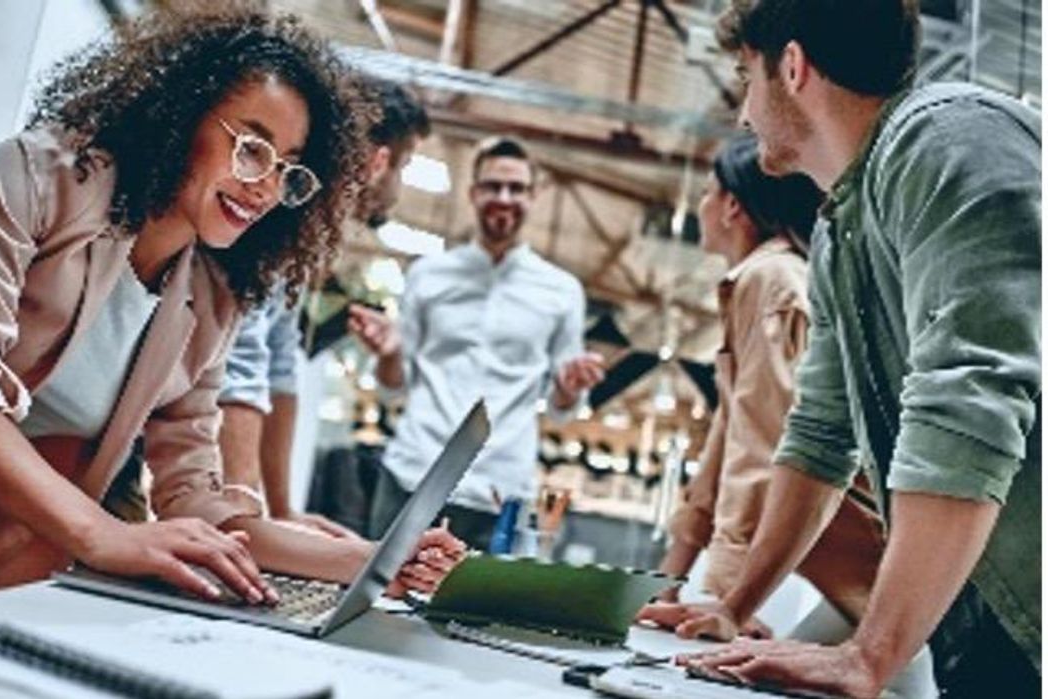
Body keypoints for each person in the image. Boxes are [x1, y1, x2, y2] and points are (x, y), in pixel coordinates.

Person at [0, 7, 461, 627]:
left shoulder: (211, 298)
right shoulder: (40, 176)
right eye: (252, 148)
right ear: (183, 114)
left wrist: (373, 559)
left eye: (289, 170)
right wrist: (103, 534)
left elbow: (196, 496)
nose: (265, 186)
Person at [643, 2, 1041, 697]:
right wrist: (733, 606)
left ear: (792, 67)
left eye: (747, 78)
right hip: (981, 610)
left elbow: (968, 399)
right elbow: (820, 434)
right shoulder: (838, 230)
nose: (744, 114)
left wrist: (868, 654)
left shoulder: (953, 140)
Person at [640, 133, 889, 638]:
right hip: (839, 566)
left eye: (707, 193)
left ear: (732, 206)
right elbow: (723, 448)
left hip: (858, 564)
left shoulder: (770, 279)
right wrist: (665, 583)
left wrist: (728, 599)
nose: (702, 206)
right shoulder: (760, 281)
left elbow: (764, 445)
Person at [349, 136, 606, 550]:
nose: (504, 198)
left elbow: (562, 411)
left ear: (533, 197)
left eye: (517, 188)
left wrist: (568, 388)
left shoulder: (562, 292)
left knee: (481, 595)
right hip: (414, 475)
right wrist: (390, 355)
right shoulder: (428, 275)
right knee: (380, 588)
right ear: (472, 193)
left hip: (500, 489)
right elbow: (392, 387)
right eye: (492, 186)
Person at [215, 78, 431, 540]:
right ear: (379, 162)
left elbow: (279, 366)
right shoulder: (275, 217)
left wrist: (282, 511)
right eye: (405, 166)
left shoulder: (306, 237)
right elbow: (242, 365)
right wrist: (247, 517)